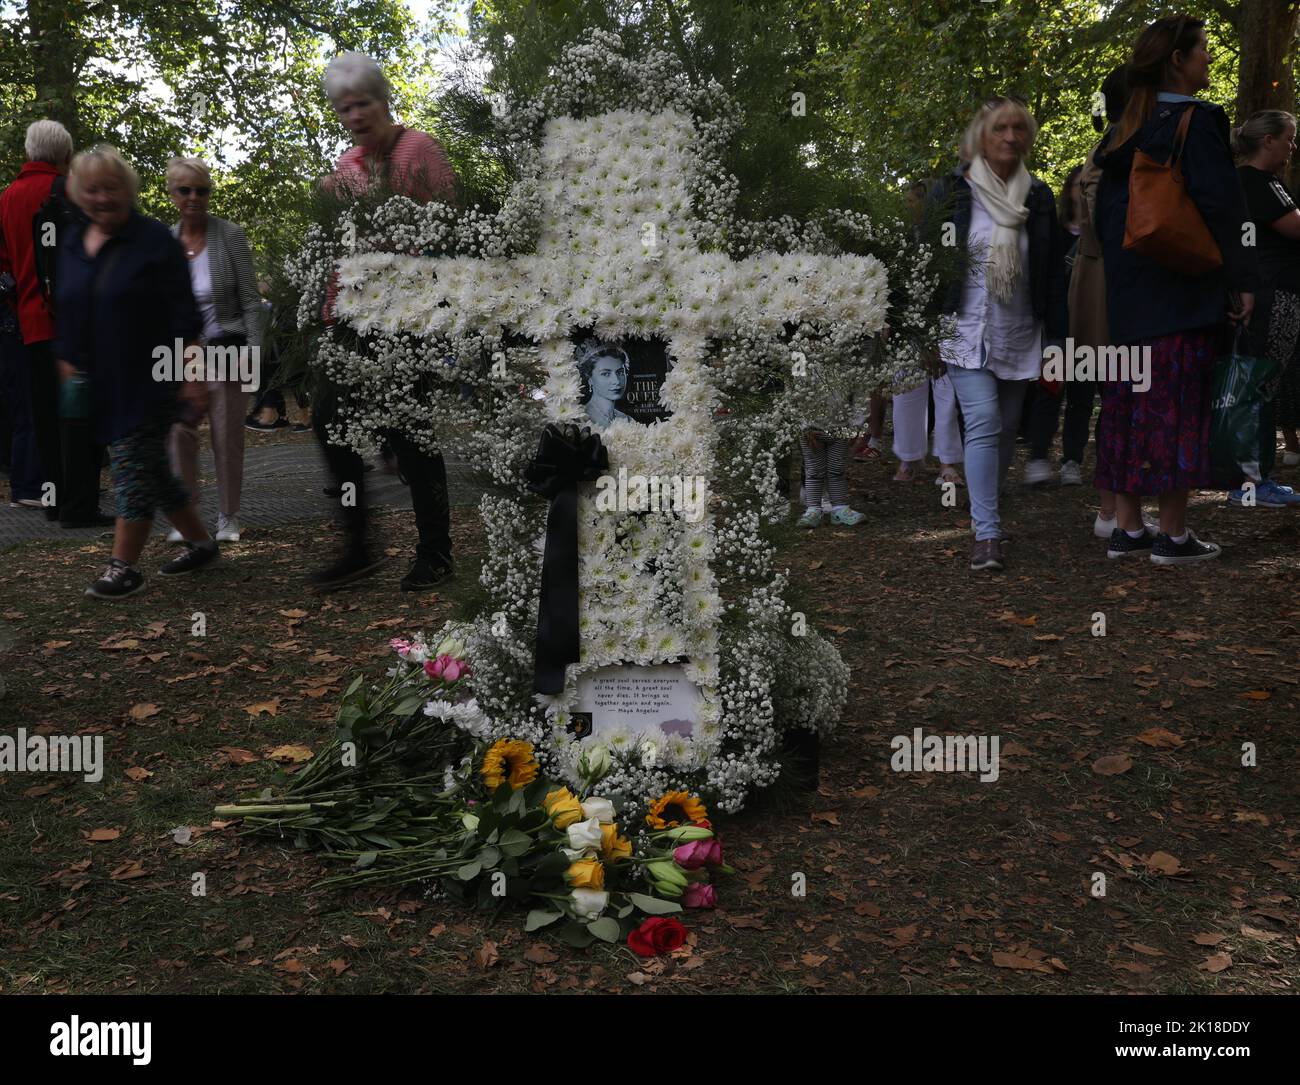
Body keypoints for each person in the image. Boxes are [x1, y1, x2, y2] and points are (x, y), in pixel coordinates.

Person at [1095, 14, 1257, 563]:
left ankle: (1127, 529)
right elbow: (1222, 208)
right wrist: (1241, 282)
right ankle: (1175, 537)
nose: (1210, 59)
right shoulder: (1198, 122)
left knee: (1125, 407)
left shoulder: (1120, 133)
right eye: (1203, 51)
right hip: (1180, 295)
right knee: (1174, 409)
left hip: (1126, 300)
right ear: (1178, 61)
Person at [314, 51, 458, 592]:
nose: (354, 115)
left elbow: (451, 234)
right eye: (344, 108)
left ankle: (435, 552)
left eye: (363, 104)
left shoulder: (419, 150)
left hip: (405, 320)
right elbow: (337, 249)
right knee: (330, 425)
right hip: (351, 321)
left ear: (383, 101)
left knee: (412, 434)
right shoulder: (347, 168)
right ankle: (358, 549)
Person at [55, 145, 218, 598]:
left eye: (112, 188)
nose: (102, 198)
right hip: (98, 380)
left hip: (150, 378)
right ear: (77, 193)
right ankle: (202, 545)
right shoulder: (72, 240)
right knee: (155, 473)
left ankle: (123, 567)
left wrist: (192, 375)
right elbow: (67, 306)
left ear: (128, 191)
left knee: (131, 469)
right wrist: (67, 359)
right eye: (92, 189)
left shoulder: (153, 241)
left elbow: (185, 316)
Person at [925, 96, 1068, 572]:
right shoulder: (950, 192)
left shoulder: (1038, 196)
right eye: (999, 129)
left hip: (1019, 330)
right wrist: (924, 329)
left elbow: (1050, 273)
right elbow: (925, 265)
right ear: (979, 138)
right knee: (984, 423)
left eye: (1018, 129)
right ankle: (986, 533)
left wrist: (1056, 339)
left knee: (1007, 428)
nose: (1010, 137)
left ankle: (985, 500)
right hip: (964, 328)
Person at [0, 120, 112, 528]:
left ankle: (53, 500)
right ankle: (80, 505)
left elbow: (3, 268)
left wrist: (19, 303)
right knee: (84, 415)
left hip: (29, 324)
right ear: (65, 154)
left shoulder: (6, 198)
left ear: (29, 152)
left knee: (45, 417)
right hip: (72, 323)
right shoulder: (67, 193)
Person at [164, 157, 262, 543]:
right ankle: (185, 516)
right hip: (181, 352)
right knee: (178, 431)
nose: (193, 197)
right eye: (184, 190)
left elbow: (252, 300)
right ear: (173, 194)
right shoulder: (165, 242)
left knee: (227, 434)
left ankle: (228, 516)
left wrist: (254, 349)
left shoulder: (230, 236)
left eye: (201, 190)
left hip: (227, 345)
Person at [1232, 110, 1300, 505]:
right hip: (1272, 294)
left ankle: (1257, 477)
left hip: (1273, 292)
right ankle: (1252, 483)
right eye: (1289, 138)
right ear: (1268, 140)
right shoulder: (1258, 182)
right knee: (1261, 384)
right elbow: (1294, 227)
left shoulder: (1264, 182)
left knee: (1263, 384)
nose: (1292, 146)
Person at [577, 340, 633, 427]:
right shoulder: (580, 418)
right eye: (606, 374)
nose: (616, 381)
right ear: (589, 379)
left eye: (620, 372)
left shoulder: (627, 420)